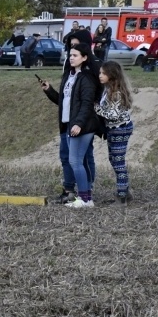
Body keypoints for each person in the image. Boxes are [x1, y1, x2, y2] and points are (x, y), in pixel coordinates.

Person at [41, 43, 102, 208]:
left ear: (84, 57)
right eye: (70, 55)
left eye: (75, 55)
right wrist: (50, 91)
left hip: (82, 125)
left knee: (76, 161)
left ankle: (84, 199)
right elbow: (64, 102)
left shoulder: (86, 78)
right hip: (69, 123)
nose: (71, 58)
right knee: (77, 161)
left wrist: (79, 124)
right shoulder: (69, 75)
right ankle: (86, 198)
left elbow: (87, 104)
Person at [95, 61, 135, 205]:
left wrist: (96, 108)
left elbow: (113, 115)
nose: (100, 75)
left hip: (120, 128)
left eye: (103, 73)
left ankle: (122, 196)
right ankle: (125, 192)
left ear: (112, 75)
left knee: (118, 163)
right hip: (113, 129)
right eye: (100, 72)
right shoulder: (108, 89)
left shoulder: (116, 93)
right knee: (114, 160)